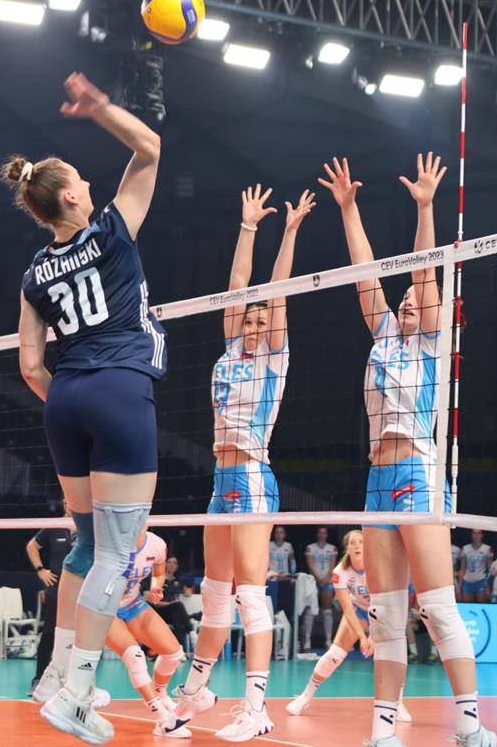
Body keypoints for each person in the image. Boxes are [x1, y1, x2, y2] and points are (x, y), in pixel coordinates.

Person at [11, 70, 165, 744]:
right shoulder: (109, 232)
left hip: (64, 399)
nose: (91, 183)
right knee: (117, 554)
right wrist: (101, 107)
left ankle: (56, 676)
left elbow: (29, 366)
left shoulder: (32, 273)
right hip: (117, 387)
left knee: (86, 544)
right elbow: (150, 148)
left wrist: (73, 399)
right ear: (71, 195)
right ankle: (76, 694)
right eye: (81, 178)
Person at [320, 154, 495, 747]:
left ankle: (470, 726)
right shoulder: (385, 337)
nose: (409, 304)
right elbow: (364, 273)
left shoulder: (431, 343)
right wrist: (349, 209)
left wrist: (425, 208)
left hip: (419, 472)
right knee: (386, 616)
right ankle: (382, 733)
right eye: (404, 303)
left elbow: (424, 273)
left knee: (438, 608)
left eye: (418, 302)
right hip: (377, 482)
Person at [168, 184, 315, 741]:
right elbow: (238, 286)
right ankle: (193, 694)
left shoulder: (273, 356)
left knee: (251, 595)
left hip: (253, 475)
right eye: (247, 322)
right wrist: (247, 227)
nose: (252, 326)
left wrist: (289, 232)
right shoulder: (230, 351)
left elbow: (274, 293)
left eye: (259, 322)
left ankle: (257, 708)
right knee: (214, 595)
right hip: (220, 480)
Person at [286, 530, 411, 721]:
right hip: (359, 610)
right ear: (347, 548)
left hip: (385, 610)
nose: (357, 545)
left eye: (361, 542)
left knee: (393, 654)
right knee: (334, 654)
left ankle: (398, 703)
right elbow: (347, 609)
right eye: (353, 542)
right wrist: (362, 637)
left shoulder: (377, 565)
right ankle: (305, 696)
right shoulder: (340, 572)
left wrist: (373, 636)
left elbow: (383, 603)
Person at [104, 527, 187, 738]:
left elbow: (158, 574)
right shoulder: (108, 540)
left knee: (174, 653)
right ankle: (162, 718)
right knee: (135, 656)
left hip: (132, 603)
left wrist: (156, 589)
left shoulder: (156, 544)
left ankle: (160, 692)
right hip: (103, 606)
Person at [27, 507, 75, 694]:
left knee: (79, 637)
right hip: (56, 589)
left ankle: (73, 683)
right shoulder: (54, 526)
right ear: (64, 504)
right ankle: (39, 678)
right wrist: (41, 570)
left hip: (80, 589)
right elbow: (32, 547)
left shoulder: (88, 526)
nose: (70, 505)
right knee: (49, 633)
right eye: (67, 502)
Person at [304, 526, 338, 651]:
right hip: (313, 581)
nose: (322, 535)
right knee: (311, 610)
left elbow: (333, 565)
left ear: (327, 535)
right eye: (320, 532)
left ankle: (328, 640)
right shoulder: (310, 547)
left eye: (324, 533)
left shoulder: (332, 548)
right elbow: (310, 564)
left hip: (327, 581)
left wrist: (326, 578)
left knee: (327, 611)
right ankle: (307, 640)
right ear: (317, 534)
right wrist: (319, 579)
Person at [149, 555, 194, 648]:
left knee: (176, 616)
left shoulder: (178, 581)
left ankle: (179, 647)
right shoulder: (158, 579)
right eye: (169, 562)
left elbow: (188, 592)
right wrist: (169, 604)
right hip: (159, 612)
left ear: (177, 566)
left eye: (174, 563)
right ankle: (191, 632)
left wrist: (187, 591)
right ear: (165, 564)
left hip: (173, 612)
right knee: (178, 605)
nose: (172, 565)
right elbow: (153, 602)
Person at [459, 531, 493, 603]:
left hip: (481, 581)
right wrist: (459, 587)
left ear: (482, 535)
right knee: (467, 606)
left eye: (479, 533)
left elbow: (490, 569)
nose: (476, 535)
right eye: (474, 533)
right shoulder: (465, 548)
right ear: (471, 535)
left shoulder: (487, 549)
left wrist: (488, 587)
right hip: (467, 581)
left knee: (481, 606)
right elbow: (462, 569)